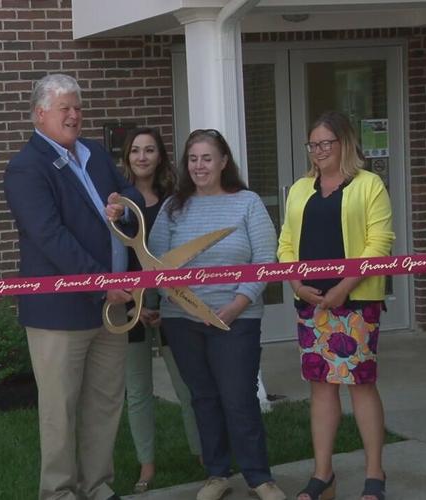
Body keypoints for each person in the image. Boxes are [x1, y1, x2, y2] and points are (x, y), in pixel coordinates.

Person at [3, 73, 143, 500]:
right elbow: (50, 237)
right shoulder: (26, 168)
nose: (74, 114)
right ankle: (60, 492)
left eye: (78, 107)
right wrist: (104, 284)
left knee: (104, 402)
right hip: (60, 312)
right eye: (64, 107)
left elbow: (129, 198)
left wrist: (122, 207)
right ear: (39, 113)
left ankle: (97, 484)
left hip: (113, 307)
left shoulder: (96, 155)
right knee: (59, 410)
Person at [147, 129, 285, 500]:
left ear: (224, 161)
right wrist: (184, 303)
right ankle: (217, 474)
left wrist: (238, 303)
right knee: (203, 398)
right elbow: (155, 263)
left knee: (238, 397)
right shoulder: (174, 206)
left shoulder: (248, 203)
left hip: (236, 318)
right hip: (184, 321)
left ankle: (260, 477)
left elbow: (265, 260)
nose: (199, 166)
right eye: (193, 159)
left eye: (207, 158)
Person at [277, 111, 394, 500]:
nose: (319, 151)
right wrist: (295, 281)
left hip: (356, 301)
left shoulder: (369, 185)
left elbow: (379, 243)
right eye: (313, 144)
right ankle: (322, 474)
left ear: (345, 144)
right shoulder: (299, 189)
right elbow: (286, 243)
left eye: (327, 143)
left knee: (360, 385)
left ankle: (374, 476)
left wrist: (345, 287)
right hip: (311, 304)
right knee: (322, 388)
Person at [118, 127, 202, 494]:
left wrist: (165, 300)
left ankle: (205, 457)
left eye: (149, 150)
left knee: (187, 384)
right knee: (137, 389)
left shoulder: (176, 200)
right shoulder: (119, 202)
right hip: (131, 305)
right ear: (127, 158)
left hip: (172, 302)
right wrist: (138, 303)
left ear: (160, 156)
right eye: (135, 150)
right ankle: (147, 465)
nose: (142, 156)